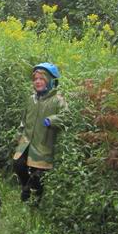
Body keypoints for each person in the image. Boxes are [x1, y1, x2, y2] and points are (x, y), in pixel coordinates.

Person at [12, 62, 69, 202]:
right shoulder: (31, 99)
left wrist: (52, 120)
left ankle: (34, 200)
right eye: (35, 79)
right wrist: (19, 135)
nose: (37, 82)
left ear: (50, 81)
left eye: (41, 79)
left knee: (37, 176)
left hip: (43, 144)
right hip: (26, 142)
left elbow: (67, 117)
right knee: (18, 164)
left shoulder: (57, 100)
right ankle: (26, 188)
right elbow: (24, 121)